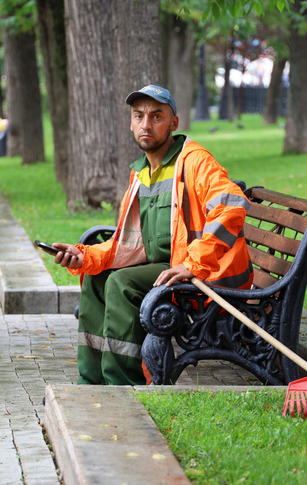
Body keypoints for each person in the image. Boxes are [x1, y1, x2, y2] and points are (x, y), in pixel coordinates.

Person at [49, 85, 254, 386]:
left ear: (173, 123)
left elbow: (231, 205)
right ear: (131, 123)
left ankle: (122, 386)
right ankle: (90, 383)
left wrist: (193, 264)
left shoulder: (193, 160)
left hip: (208, 276)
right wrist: (85, 256)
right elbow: (129, 244)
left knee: (121, 282)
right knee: (97, 278)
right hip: (167, 267)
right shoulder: (141, 173)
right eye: (139, 116)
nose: (146, 124)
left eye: (156, 116)